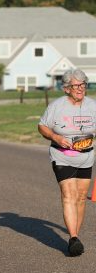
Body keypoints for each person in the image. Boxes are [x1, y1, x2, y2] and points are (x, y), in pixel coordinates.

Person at [38, 68, 96, 257]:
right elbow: (42, 126)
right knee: (69, 194)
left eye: (83, 85)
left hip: (86, 157)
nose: (80, 89)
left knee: (80, 197)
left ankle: (75, 236)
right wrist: (55, 136)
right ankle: (72, 238)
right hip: (62, 155)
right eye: (76, 85)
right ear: (66, 88)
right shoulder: (57, 106)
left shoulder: (92, 106)